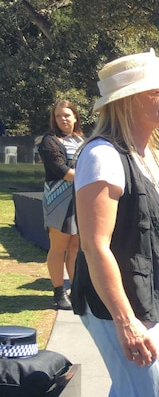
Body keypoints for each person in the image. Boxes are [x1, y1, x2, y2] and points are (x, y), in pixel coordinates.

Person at [71, 50, 159, 397]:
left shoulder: (144, 155)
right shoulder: (103, 155)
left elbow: (147, 223)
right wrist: (126, 321)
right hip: (127, 305)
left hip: (151, 300)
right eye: (157, 90)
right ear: (128, 99)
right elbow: (95, 245)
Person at [37, 99, 84, 310]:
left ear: (75, 116)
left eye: (67, 115)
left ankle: (76, 290)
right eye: (58, 116)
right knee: (58, 247)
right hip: (58, 200)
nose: (63, 119)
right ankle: (58, 293)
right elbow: (60, 170)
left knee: (74, 248)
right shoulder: (49, 141)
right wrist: (91, 178)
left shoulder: (81, 140)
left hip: (80, 199)